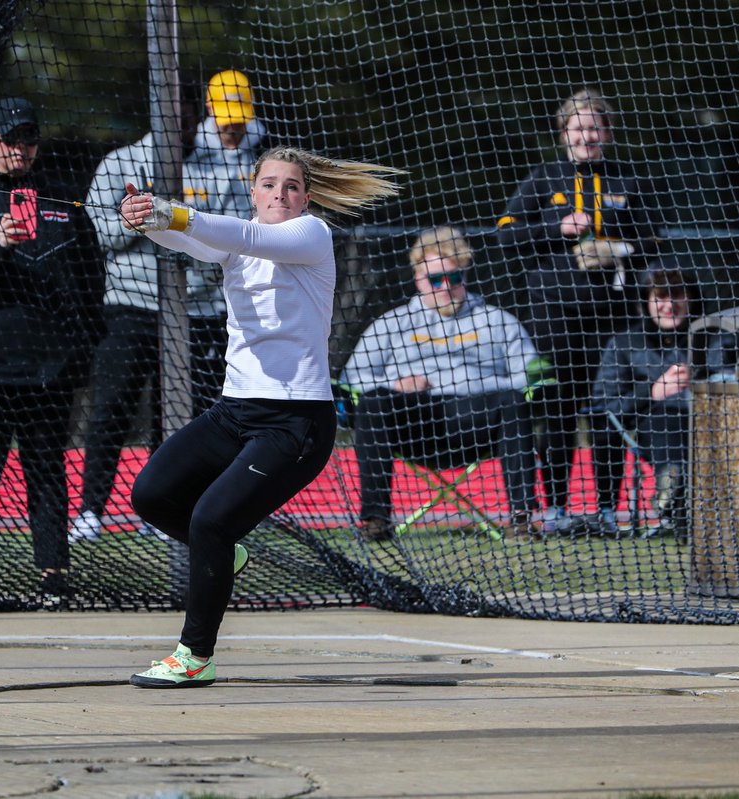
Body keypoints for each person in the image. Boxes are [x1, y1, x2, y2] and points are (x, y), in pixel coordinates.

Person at [119, 145, 401, 687]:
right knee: (151, 495)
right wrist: (145, 217)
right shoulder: (235, 239)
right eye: (268, 185)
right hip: (234, 412)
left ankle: (194, 656)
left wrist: (171, 211)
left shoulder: (308, 234)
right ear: (253, 192)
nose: (279, 194)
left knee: (210, 520)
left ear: (306, 197)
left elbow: (238, 235)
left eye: (290, 186)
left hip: (294, 423)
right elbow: (195, 240)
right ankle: (227, 554)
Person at [69, 70, 265, 543]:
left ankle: (166, 509)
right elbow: (98, 234)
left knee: (185, 413)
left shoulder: (221, 166)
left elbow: (233, 234)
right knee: (113, 406)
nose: (180, 122)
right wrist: (136, 220)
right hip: (131, 304)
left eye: (188, 113)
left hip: (196, 310)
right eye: (170, 113)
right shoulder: (122, 163)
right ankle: (92, 509)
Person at [0, 97, 101, 602]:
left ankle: (54, 574)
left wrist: (83, 345)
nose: (20, 149)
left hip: (47, 362)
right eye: (10, 138)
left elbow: (89, 277)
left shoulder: (61, 200)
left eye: (28, 139)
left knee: (46, 466)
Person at [495, 88, 664, 533]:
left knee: (606, 408)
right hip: (553, 311)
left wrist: (617, 248)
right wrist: (558, 227)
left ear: (607, 132)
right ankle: (556, 509)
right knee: (559, 408)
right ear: (563, 132)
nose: (586, 135)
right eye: (578, 127)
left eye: (594, 126)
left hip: (613, 314)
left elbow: (655, 241)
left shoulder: (629, 179)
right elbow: (505, 234)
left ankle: (607, 510)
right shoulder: (544, 176)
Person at [340, 227, 541, 541]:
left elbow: (529, 376)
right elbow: (352, 379)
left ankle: (521, 519)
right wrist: (395, 384)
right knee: (374, 400)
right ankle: (375, 519)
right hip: (416, 425)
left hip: (477, 424)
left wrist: (479, 383)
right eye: (435, 279)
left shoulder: (498, 320)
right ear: (418, 278)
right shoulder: (391, 324)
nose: (445, 287)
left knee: (513, 400)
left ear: (465, 275)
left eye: (453, 277)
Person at [588, 264, 731, 538]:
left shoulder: (716, 336)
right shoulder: (624, 344)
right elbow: (605, 405)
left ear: (691, 298)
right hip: (651, 429)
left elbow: (732, 380)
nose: (669, 305)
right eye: (660, 297)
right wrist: (652, 392)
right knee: (666, 417)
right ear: (646, 301)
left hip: (715, 424)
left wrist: (700, 379)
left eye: (676, 295)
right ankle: (673, 486)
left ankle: (677, 496)